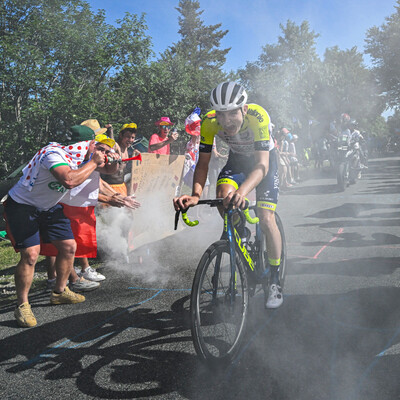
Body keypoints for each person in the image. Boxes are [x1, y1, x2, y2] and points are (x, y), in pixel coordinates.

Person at [174, 81, 284, 309]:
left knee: (265, 218)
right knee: (223, 197)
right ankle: (240, 233)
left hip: (264, 162)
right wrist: (194, 194)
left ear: (244, 109)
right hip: (237, 161)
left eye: (232, 113)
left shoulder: (258, 116)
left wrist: (243, 192)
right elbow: (202, 164)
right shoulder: (208, 123)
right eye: (221, 114)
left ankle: (274, 279)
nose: (226, 121)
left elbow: (262, 165)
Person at [3, 124, 120, 327]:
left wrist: (114, 159)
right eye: (98, 146)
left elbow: (109, 170)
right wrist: (94, 161)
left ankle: (59, 291)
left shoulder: (84, 156)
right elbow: (69, 180)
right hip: (23, 206)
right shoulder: (53, 154)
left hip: (49, 207)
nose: (101, 152)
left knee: (68, 247)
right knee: (30, 255)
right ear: (86, 144)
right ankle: (22, 305)